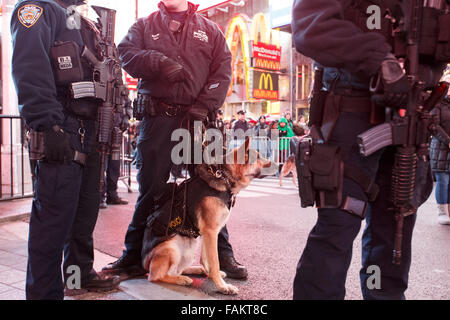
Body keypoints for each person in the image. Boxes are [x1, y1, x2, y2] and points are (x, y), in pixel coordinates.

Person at [292, 0, 446, 299]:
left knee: (393, 238)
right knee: (336, 231)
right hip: (351, 112)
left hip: (412, 114)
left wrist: (423, 79)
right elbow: (310, 27)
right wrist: (380, 61)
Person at [102, 0, 248, 280]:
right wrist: (159, 62)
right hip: (159, 119)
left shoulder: (211, 30)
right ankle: (133, 255)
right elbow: (126, 54)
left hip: (201, 119)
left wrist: (204, 105)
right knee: (150, 189)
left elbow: (223, 71)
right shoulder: (145, 25)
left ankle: (223, 255)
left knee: (215, 189)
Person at [10, 0, 121, 299]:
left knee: (84, 214)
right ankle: (44, 294)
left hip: (92, 128)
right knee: (53, 222)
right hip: (62, 125)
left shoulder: (87, 19)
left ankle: (79, 275)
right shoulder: (37, 8)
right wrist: (47, 124)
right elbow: (29, 66)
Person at [430, 73, 450, 225]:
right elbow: (434, 126)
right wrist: (448, 141)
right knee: (443, 180)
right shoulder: (437, 104)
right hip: (440, 148)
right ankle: (442, 211)